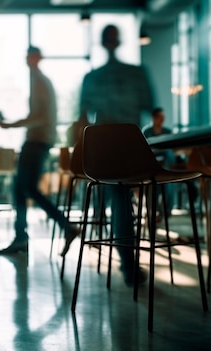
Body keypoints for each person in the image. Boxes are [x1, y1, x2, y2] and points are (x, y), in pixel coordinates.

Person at [62, 24, 155, 286]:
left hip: (105, 155)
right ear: (119, 41)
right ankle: (129, 266)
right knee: (125, 200)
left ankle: (128, 265)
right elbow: (151, 110)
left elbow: (81, 121)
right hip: (133, 151)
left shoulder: (91, 78)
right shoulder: (137, 74)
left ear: (104, 43)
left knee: (120, 200)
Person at [0, 46, 80, 255]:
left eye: (31, 56)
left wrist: (11, 125)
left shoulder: (40, 81)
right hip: (38, 141)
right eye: (27, 56)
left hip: (37, 141)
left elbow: (39, 117)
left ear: (38, 58)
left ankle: (64, 225)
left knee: (27, 188)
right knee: (21, 188)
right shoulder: (39, 81)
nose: (28, 60)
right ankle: (23, 236)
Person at [142, 107, 176, 219]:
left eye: (163, 118)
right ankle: (156, 210)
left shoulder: (168, 132)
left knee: (168, 183)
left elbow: (173, 150)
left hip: (165, 164)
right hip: (151, 164)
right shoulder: (147, 132)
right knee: (155, 183)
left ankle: (165, 210)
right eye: (160, 118)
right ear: (154, 118)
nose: (162, 120)